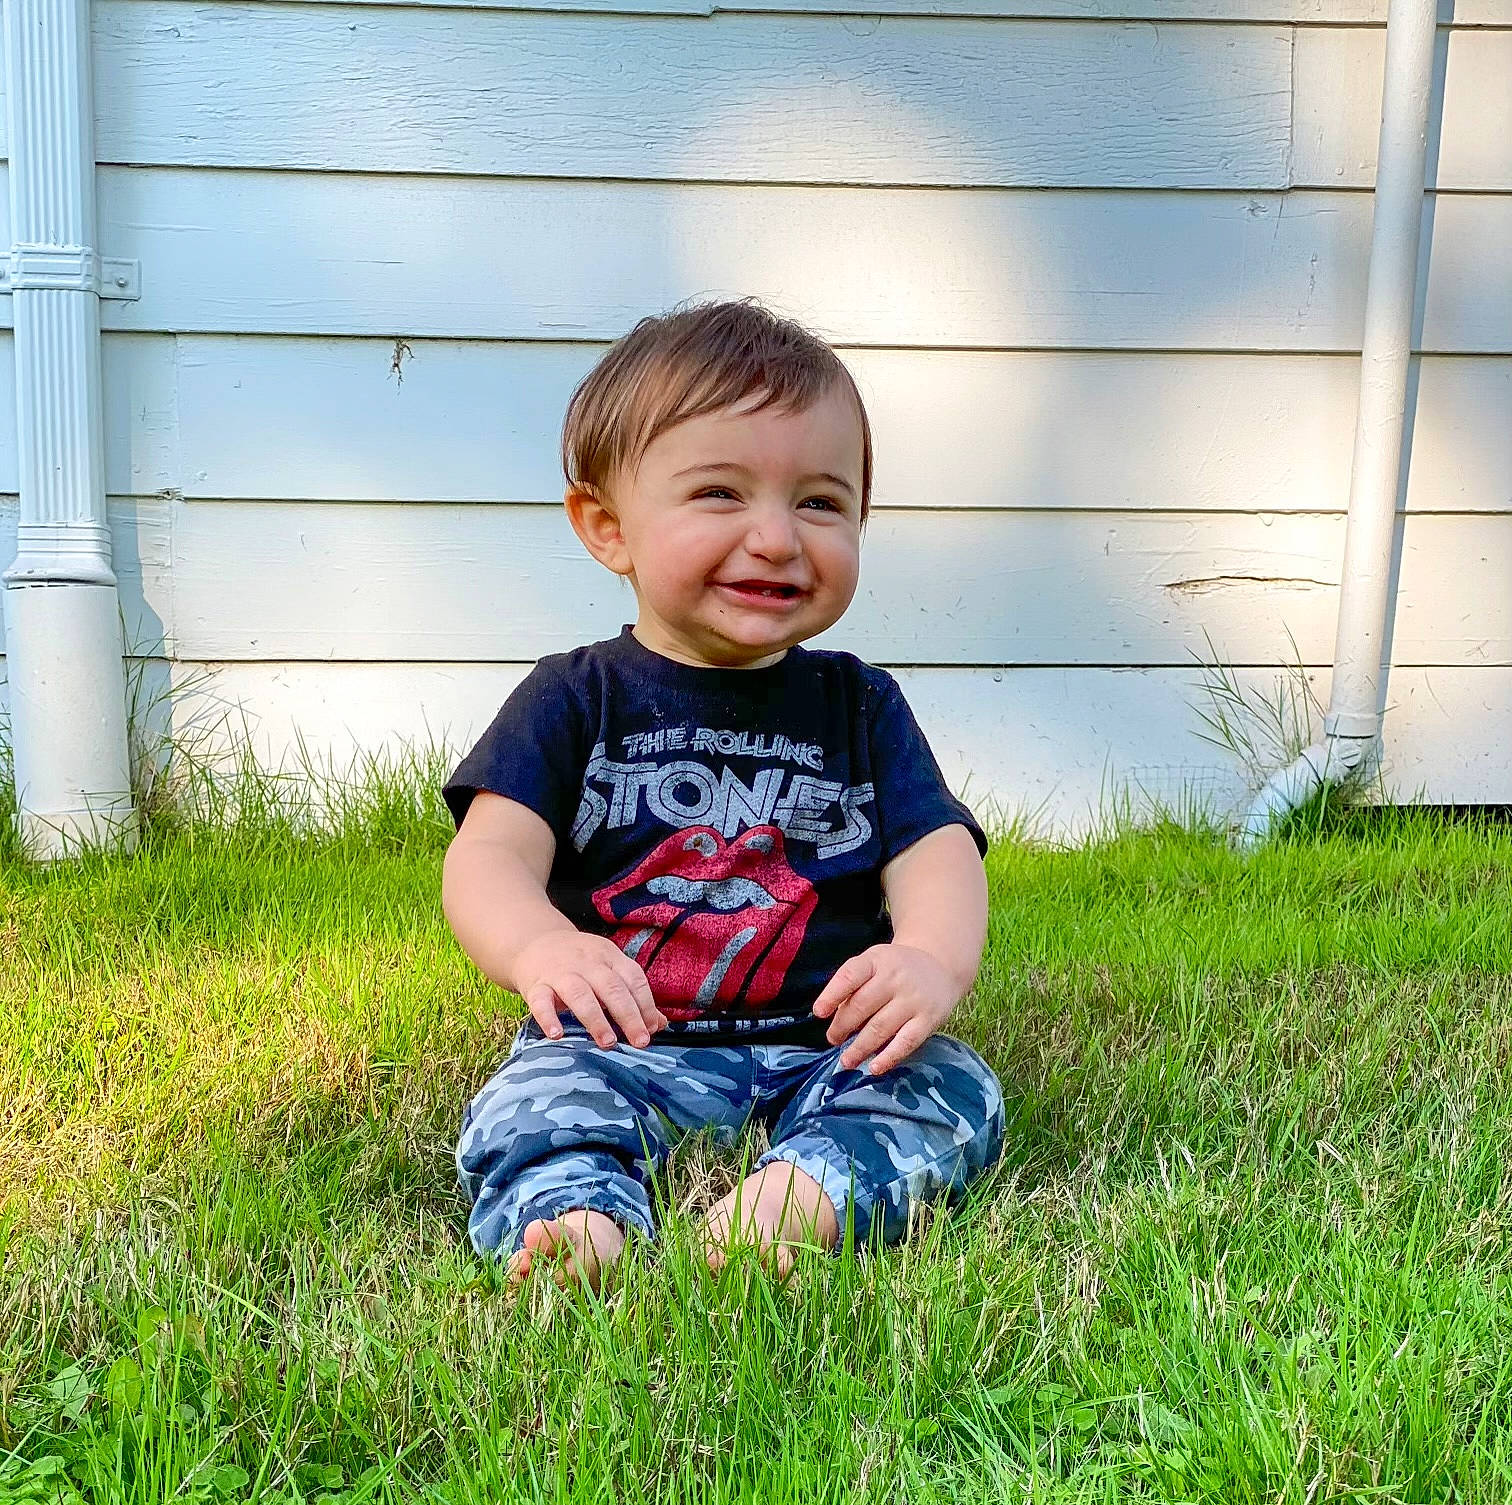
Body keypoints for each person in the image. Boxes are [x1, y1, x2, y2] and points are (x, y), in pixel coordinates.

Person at [441, 298, 1005, 1288]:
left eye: (822, 502)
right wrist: (539, 945)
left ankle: (796, 1201)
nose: (777, 537)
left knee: (951, 1084)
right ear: (607, 525)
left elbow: (936, 849)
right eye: (719, 493)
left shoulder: (860, 704)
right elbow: (489, 856)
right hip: (617, 1042)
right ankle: (577, 1220)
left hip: (829, 1045)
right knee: (536, 1096)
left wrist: (927, 957)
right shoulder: (575, 696)